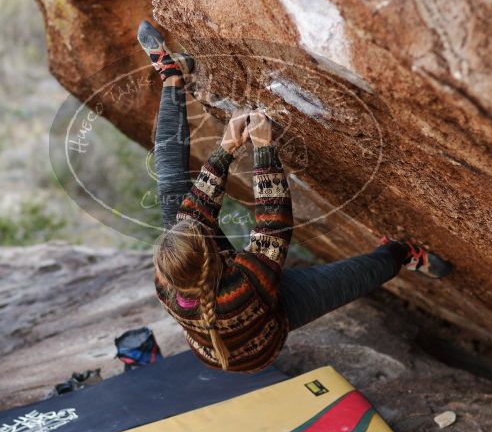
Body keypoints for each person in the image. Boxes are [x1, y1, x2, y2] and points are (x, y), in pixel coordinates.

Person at [138, 21, 452, 372]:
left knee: (172, 192)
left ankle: (172, 75)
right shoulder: (245, 284)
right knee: (359, 275)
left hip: (224, 298)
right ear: (216, 254)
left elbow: (194, 214)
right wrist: (263, 148)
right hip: (269, 323)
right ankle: (402, 253)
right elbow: (274, 224)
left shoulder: (168, 278)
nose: (195, 223)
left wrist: (226, 149)